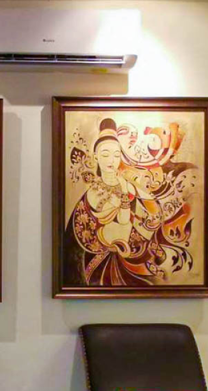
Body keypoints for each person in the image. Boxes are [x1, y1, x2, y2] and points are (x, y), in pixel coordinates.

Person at [64, 118, 193, 286]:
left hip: (135, 247)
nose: (111, 160)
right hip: (106, 255)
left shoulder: (126, 183)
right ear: (96, 156)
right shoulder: (94, 193)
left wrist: (151, 213)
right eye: (105, 155)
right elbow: (98, 229)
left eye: (116, 155)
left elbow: (150, 202)